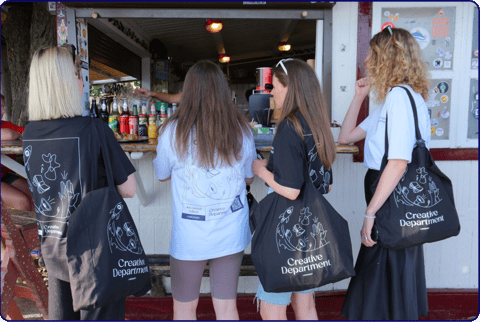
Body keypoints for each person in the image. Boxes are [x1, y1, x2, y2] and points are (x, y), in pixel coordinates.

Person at [23, 45, 137, 320]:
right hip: (93, 253)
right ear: (62, 83)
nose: (81, 80)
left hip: (53, 248)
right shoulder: (94, 129)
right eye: (75, 74)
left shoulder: (29, 133)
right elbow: (129, 189)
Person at [338, 27, 430, 320]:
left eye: (373, 54)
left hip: (389, 194)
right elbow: (347, 136)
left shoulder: (399, 99)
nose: (367, 60)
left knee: (379, 270)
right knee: (387, 271)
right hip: (390, 193)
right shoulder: (395, 98)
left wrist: (370, 213)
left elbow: (398, 162)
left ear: (389, 58)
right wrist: (359, 96)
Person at [153, 60, 256, 320]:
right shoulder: (241, 130)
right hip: (230, 230)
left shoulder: (171, 132)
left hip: (190, 233)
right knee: (227, 307)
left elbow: (161, 175)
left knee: (185, 309)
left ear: (188, 91)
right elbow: (249, 177)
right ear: (223, 90)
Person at [252, 58, 336, 320]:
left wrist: (261, 171)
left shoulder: (289, 126)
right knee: (305, 304)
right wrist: (275, 166)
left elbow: (290, 190)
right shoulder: (318, 124)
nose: (272, 92)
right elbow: (326, 184)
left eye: (275, 86)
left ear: (290, 87)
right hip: (311, 226)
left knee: (271, 304)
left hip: (285, 228)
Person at [1, 94, 33, 211]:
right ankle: (21, 230)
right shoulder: (7, 128)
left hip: (5, 175)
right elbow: (9, 134)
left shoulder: (6, 125)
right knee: (22, 201)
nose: (3, 111)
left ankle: (42, 228)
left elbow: (27, 132)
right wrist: (15, 133)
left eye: (3, 107)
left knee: (38, 193)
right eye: (0, 107)